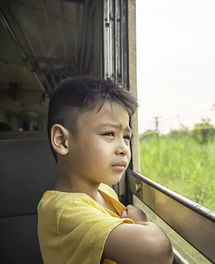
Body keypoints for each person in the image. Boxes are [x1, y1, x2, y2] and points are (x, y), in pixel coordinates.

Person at [37, 76, 173, 264]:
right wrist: (141, 223)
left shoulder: (104, 191)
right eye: (109, 134)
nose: (124, 148)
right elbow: (156, 252)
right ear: (61, 140)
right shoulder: (63, 211)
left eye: (126, 137)